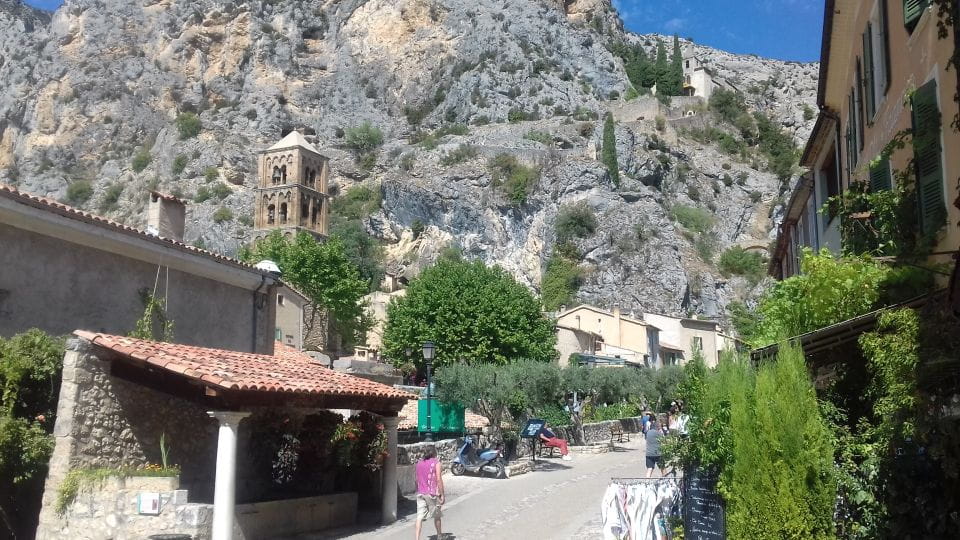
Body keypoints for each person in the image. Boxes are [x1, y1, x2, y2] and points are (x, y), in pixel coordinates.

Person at [415, 446, 444, 540]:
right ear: (434, 453)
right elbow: (439, 479)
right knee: (437, 515)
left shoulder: (419, 463)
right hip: (431, 493)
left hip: (420, 493)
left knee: (419, 517)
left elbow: (416, 479)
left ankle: (417, 538)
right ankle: (439, 536)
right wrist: (442, 494)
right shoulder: (436, 463)